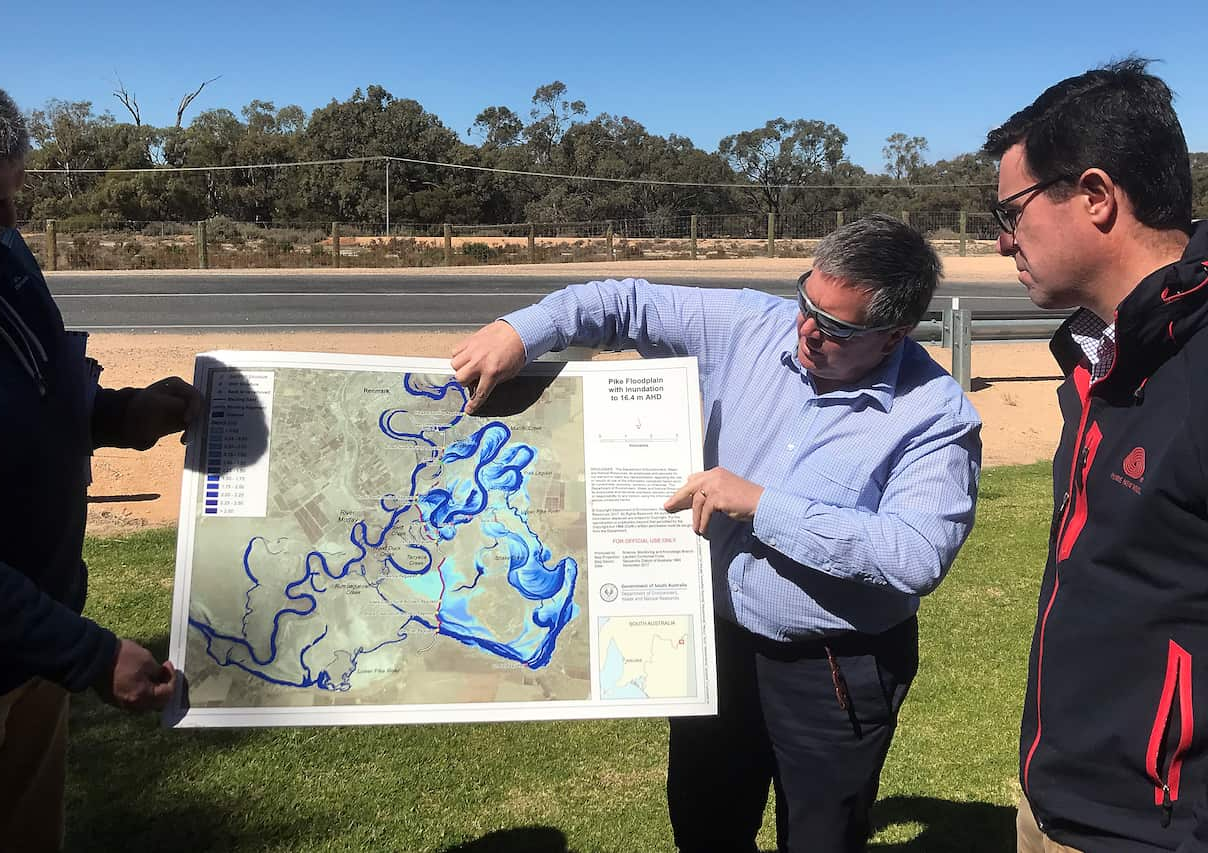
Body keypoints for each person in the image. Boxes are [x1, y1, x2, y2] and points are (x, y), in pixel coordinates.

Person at [451, 213, 981, 852]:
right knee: (704, 823)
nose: (808, 331)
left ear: (894, 335)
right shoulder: (748, 326)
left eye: (836, 328)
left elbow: (915, 555)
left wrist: (760, 504)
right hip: (713, 646)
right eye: (805, 302)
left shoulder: (936, 415)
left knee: (822, 837)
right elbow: (620, 302)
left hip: (836, 666)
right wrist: (520, 331)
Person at [0, 63, 202, 853]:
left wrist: (120, 414)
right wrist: (87, 654)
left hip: (33, 649)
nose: (12, 219)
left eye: (16, 193)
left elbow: (35, 387)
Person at [983, 58, 1208, 853]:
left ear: (1095, 196)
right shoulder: (1101, 357)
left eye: (1010, 209)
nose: (1002, 237)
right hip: (1063, 805)